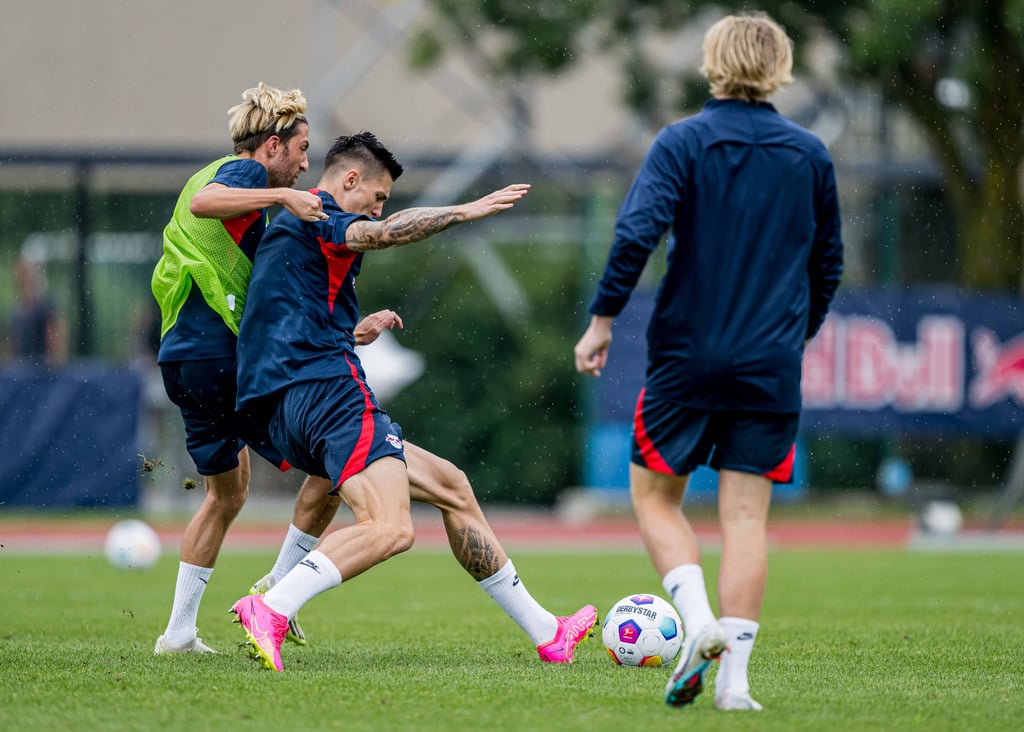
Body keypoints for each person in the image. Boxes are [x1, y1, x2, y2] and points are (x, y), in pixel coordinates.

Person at [230, 132, 597, 672]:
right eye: (377, 197)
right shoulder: (319, 214)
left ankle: (548, 633)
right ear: (349, 180)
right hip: (328, 395)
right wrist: (464, 211)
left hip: (290, 402)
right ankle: (273, 604)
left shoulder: (289, 230)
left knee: (450, 484)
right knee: (392, 528)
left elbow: (285, 323)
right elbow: (380, 235)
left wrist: (349, 332)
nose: (381, 209)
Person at [573, 13, 843, 712]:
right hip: (770, 364)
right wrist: (793, 334)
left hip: (687, 357)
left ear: (712, 64)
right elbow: (829, 265)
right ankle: (735, 686)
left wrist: (602, 320)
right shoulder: (809, 154)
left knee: (654, 499)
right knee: (747, 520)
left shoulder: (683, 141)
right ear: (780, 67)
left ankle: (698, 627)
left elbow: (636, 234)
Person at [150, 82, 337, 654]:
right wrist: (283, 200)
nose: (306, 164)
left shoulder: (225, 185)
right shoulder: (246, 175)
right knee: (339, 463)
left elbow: (268, 295)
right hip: (217, 356)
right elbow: (210, 202)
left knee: (226, 496)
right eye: (302, 149)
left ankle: (177, 632)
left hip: (183, 359)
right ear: (273, 145)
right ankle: (278, 591)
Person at [4, 255, 68, 369]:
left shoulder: (46, 305)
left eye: (25, 273)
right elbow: (13, 344)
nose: (22, 278)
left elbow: (57, 341)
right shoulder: (16, 310)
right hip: (22, 371)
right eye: (20, 273)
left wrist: (54, 365)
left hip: (42, 371)